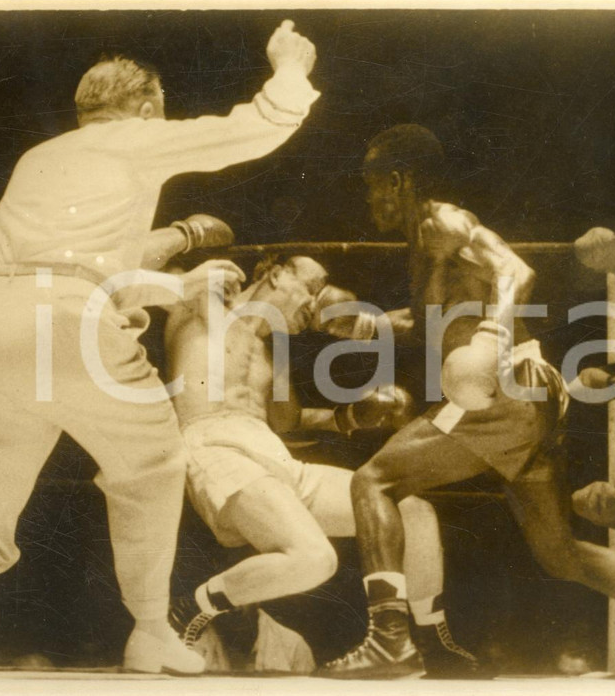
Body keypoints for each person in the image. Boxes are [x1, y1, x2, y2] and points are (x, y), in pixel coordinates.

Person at [0, 20, 319, 678]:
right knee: (156, 466)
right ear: (142, 110)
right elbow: (261, 125)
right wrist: (290, 68)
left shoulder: (39, 159)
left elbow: (80, 260)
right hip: (67, 319)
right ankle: (148, 630)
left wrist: (169, 285)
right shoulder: (135, 136)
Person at [317, 124, 615, 682]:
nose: (369, 199)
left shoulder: (440, 220)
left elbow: (517, 270)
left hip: (500, 394)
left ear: (398, 180)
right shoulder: (426, 242)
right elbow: (434, 324)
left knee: (371, 481)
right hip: (527, 400)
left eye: (373, 186)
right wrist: (368, 329)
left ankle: (390, 640)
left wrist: (491, 341)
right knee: (559, 553)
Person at [161, 255, 444, 672]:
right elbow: (139, 280)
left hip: (274, 454)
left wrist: (348, 416)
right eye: (312, 286)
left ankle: (418, 642)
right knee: (314, 559)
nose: (317, 300)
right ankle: (188, 610)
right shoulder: (201, 303)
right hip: (215, 444)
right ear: (277, 273)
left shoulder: (273, 352)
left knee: (411, 510)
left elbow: (288, 422)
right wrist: (192, 243)